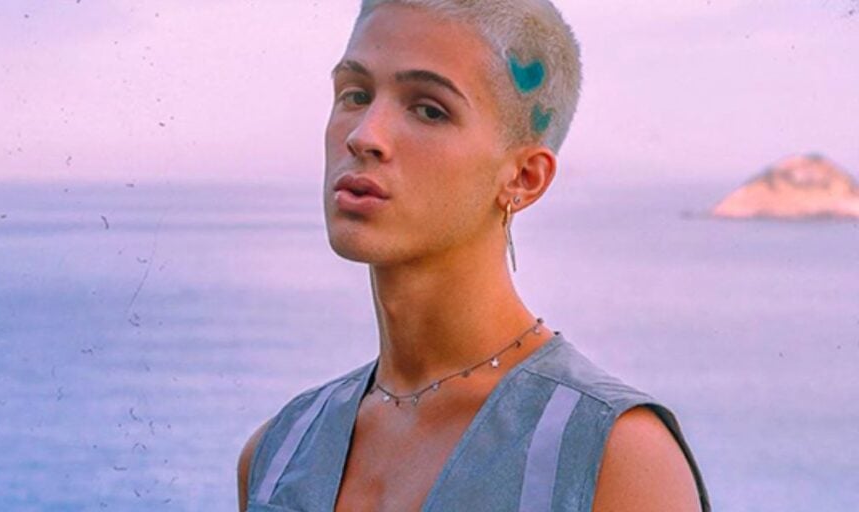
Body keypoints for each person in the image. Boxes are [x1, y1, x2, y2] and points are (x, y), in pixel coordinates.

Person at [238, 0, 711, 510]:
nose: (363, 136)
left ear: (524, 178)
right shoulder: (277, 454)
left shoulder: (613, 456)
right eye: (355, 94)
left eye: (429, 109)